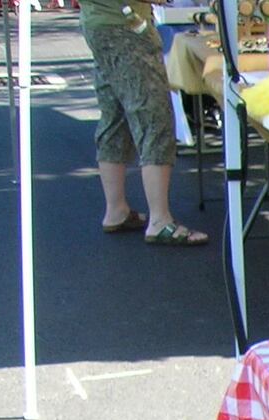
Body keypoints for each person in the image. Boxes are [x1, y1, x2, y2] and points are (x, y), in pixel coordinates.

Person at [77, 0, 206, 244]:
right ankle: (160, 221)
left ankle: (116, 210)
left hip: (102, 23)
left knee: (115, 116)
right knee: (154, 118)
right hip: (124, 27)